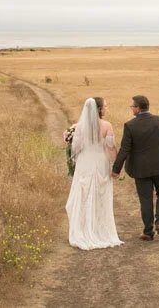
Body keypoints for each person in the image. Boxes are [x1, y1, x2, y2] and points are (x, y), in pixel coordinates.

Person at [111, 95, 159, 241]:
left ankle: (148, 232)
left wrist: (116, 169)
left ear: (138, 108)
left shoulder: (130, 125)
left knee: (145, 199)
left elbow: (124, 150)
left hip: (140, 169)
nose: (132, 109)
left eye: (132, 106)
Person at [65, 97, 123, 249]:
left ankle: (83, 229)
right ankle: (100, 230)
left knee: (83, 194)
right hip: (100, 162)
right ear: (99, 109)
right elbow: (110, 147)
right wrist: (115, 165)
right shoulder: (107, 125)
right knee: (100, 194)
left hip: (85, 162)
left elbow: (75, 148)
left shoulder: (79, 127)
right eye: (105, 106)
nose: (106, 108)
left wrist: (70, 142)